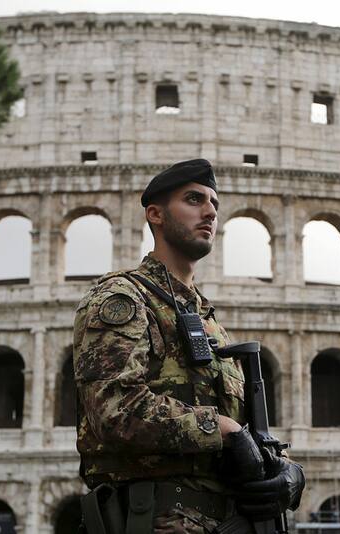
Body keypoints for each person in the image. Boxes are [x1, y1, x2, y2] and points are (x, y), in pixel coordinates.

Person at [73, 159, 305, 534]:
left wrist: (289, 473)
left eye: (214, 203)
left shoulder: (211, 323)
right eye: (194, 199)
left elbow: (247, 428)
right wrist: (225, 430)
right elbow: (114, 409)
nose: (210, 212)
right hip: (156, 517)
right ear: (156, 214)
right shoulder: (123, 298)